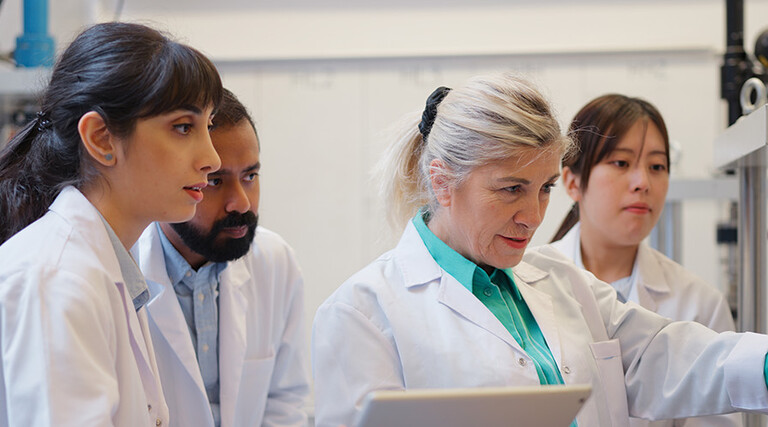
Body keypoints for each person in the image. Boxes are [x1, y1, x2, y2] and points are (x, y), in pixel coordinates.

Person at [311, 73, 768, 427]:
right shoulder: (362, 314)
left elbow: (660, 356)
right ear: (442, 181)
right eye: (511, 189)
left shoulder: (562, 281)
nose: (533, 216)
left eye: (545, 188)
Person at [0, 22, 222, 426]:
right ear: (101, 139)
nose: (212, 158)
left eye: (208, 126)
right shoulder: (57, 279)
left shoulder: (104, 267)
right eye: (184, 127)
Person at [549, 94, 740, 427]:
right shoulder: (529, 285)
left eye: (657, 167)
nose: (643, 183)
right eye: (621, 163)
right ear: (572, 182)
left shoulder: (697, 303)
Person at [132, 89, 310, 427]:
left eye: (250, 176)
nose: (241, 203)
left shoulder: (275, 260)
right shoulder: (121, 270)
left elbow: (285, 401)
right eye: (215, 180)